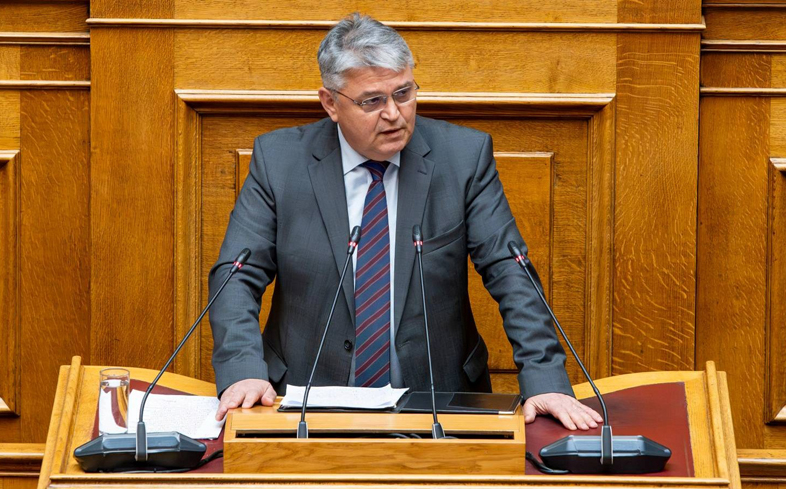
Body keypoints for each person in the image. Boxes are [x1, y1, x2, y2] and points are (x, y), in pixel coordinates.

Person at [209, 13, 602, 430]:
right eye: (372, 101)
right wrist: (242, 369)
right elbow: (237, 274)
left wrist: (545, 379)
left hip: (439, 402)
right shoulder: (279, 161)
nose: (394, 114)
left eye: (404, 93)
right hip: (305, 401)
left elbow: (510, 270)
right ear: (331, 103)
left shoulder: (463, 158)